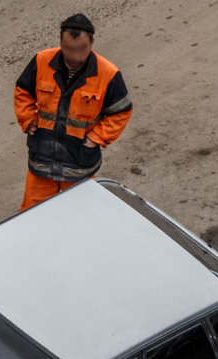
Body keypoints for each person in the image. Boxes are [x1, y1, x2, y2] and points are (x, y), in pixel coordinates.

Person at [13, 13, 133, 211]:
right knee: (32, 216)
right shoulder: (42, 60)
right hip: (42, 160)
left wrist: (95, 139)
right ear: (61, 43)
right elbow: (23, 91)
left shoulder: (108, 74)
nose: (75, 57)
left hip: (79, 163)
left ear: (92, 43)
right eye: (69, 50)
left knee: (80, 216)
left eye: (81, 50)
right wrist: (28, 120)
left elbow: (121, 111)